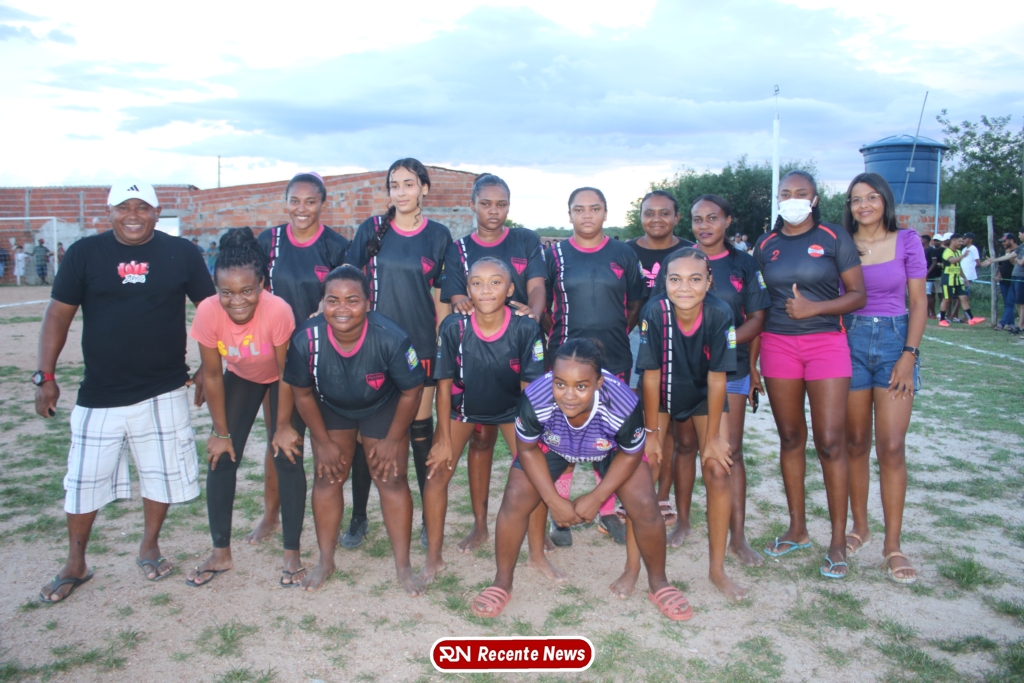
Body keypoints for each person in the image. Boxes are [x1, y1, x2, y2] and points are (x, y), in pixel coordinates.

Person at [35, 181, 215, 602]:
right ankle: (76, 563)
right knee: (83, 480)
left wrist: (210, 367)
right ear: (109, 211)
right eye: (123, 207)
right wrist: (45, 376)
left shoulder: (181, 252)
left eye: (142, 207)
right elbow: (58, 315)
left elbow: (210, 310)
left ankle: (149, 546)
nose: (133, 215)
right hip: (100, 392)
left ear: (157, 212)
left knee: (160, 475)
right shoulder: (84, 253)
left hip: (164, 388)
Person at [470, 339, 692, 621]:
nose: (569, 395)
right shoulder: (536, 397)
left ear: (599, 383)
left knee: (645, 503)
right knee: (515, 496)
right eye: (560, 384)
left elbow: (631, 454)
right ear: (552, 377)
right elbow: (526, 449)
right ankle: (502, 582)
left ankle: (659, 583)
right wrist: (553, 500)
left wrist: (597, 497)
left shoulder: (622, 403)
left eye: (581, 386)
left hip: (610, 448)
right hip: (554, 444)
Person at [282, 266, 426, 593]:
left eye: (352, 300)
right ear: (322, 302)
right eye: (333, 300)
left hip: (383, 404)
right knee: (327, 476)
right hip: (332, 406)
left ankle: (403, 567)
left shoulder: (390, 337)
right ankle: (325, 561)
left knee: (391, 478)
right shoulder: (306, 338)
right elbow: (301, 393)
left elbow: (412, 391)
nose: (342, 308)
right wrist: (322, 442)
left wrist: (392, 439)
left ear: (368, 303)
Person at [752, 170, 865, 579]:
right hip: (777, 345)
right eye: (786, 193)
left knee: (830, 442)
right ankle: (797, 529)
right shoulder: (765, 244)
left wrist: (815, 309)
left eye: (801, 193)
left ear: (815, 199)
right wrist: (751, 363)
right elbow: (757, 305)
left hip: (826, 344)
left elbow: (858, 295)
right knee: (790, 438)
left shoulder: (834, 237)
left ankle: (837, 542)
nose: (793, 199)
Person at [422, 258, 556, 582]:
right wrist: (443, 438)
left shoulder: (525, 327)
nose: (485, 289)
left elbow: (530, 390)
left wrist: (532, 441)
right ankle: (434, 557)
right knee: (436, 474)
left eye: (495, 282)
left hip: (513, 409)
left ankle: (537, 555)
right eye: (477, 283)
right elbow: (443, 385)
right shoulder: (454, 326)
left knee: (537, 474)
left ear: (510, 290)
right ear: (467, 289)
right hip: (464, 409)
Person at [344, 159, 453, 549]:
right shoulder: (371, 229)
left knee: (420, 434)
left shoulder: (439, 235)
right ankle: (358, 517)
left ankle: (428, 517)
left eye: (409, 184)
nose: (401, 191)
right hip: (371, 348)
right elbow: (346, 282)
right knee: (366, 438)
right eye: (394, 185)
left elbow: (442, 297)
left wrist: (443, 347)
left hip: (420, 349)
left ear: (424, 188)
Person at [186, 229, 300, 587]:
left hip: (282, 378)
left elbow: (286, 373)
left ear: (262, 285)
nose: (237, 301)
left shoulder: (277, 310)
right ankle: (221, 552)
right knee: (221, 458)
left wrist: (283, 425)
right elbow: (213, 375)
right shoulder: (207, 312)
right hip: (243, 376)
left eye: (247, 291)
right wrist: (220, 433)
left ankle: (292, 553)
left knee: (287, 454)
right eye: (227, 293)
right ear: (216, 289)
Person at [438, 174, 546, 553]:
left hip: (517, 346)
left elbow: (537, 286)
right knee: (480, 440)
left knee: (530, 450)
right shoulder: (459, 248)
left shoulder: (526, 240)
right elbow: (456, 295)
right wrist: (465, 307)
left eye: (501, 204)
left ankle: (538, 533)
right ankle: (480, 524)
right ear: (473, 205)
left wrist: (532, 318)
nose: (494, 211)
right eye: (486, 204)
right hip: (477, 351)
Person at [631, 248, 746, 601]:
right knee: (646, 468)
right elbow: (651, 376)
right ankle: (632, 568)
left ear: (709, 282)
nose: (684, 287)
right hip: (661, 393)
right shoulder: (654, 311)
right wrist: (652, 435)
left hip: (702, 394)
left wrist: (712, 438)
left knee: (717, 468)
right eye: (675, 279)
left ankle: (717, 571)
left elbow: (717, 379)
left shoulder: (720, 312)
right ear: (664, 282)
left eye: (695, 279)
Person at [246, 173, 350, 546]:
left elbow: (347, 295)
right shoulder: (269, 241)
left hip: (325, 356)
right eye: (295, 200)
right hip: (279, 359)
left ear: (323, 203)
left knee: (329, 443)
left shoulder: (336, 246)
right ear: (286, 202)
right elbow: (252, 290)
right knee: (281, 439)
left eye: (310, 201)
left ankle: (330, 521)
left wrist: (324, 308)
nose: (301, 208)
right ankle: (271, 515)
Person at [545, 187, 646, 546]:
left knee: (610, 437)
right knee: (563, 435)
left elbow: (635, 304)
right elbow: (543, 306)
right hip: (566, 362)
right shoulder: (554, 255)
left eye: (594, 208)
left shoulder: (624, 253)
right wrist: (560, 341)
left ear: (605, 212)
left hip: (614, 358)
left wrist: (615, 333)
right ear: (569, 214)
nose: (587, 215)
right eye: (579, 209)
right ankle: (560, 515)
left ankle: (606, 511)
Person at [842, 173, 926, 584]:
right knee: (856, 443)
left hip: (895, 342)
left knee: (891, 446)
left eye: (872, 197)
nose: (864, 205)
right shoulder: (842, 243)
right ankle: (860, 527)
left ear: (885, 201)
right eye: (856, 199)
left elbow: (919, 302)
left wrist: (909, 355)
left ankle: (893, 544)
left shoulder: (908, 241)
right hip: (850, 340)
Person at [690, 195, 770, 566]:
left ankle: (737, 537)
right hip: (686, 370)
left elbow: (757, 319)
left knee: (729, 450)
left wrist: (725, 342)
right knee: (686, 448)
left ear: (727, 221)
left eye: (713, 218)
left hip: (731, 369)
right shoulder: (681, 259)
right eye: (698, 219)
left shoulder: (744, 263)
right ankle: (682, 522)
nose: (705, 225)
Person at [626, 190, 694, 537]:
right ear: (640, 216)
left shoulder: (690, 252)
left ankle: (663, 495)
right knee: (640, 416)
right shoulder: (626, 251)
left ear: (677, 217)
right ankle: (633, 491)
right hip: (636, 338)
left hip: (679, 340)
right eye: (649, 212)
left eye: (665, 213)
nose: (656, 219)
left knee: (668, 417)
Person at [938, 233, 985, 327]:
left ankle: (971, 318)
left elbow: (958, 267)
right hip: (948, 279)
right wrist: (963, 256)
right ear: (953, 241)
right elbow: (952, 261)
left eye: (962, 241)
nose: (961, 243)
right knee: (946, 299)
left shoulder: (959, 252)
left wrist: (965, 278)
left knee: (964, 298)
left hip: (957, 280)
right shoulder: (947, 252)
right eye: (959, 241)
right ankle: (942, 319)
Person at [982, 232, 1022, 332]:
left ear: (1011, 240)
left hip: (1016, 279)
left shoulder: (1019, 249)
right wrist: (993, 261)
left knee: (1014, 303)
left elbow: (1018, 263)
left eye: (1005, 241)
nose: (1003, 243)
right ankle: (1012, 324)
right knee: (1010, 303)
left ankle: (1003, 323)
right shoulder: (1011, 250)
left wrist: (1012, 256)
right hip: (1005, 280)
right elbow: (1001, 264)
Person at [922, 234, 941, 319]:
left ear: (926, 240)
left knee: (928, 294)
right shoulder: (922, 250)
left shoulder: (931, 250)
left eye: (921, 239)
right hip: (922, 275)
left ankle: (933, 313)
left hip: (929, 276)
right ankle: (926, 312)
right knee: (925, 295)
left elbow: (934, 262)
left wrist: (927, 273)